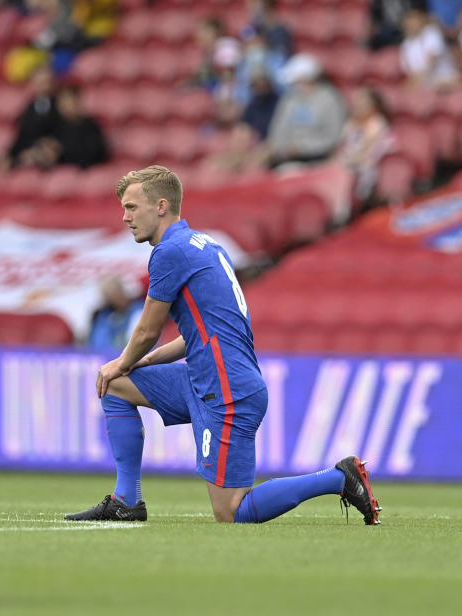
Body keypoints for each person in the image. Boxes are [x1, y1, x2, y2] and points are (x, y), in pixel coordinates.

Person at [64, 165, 382, 526]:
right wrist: (144, 362)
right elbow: (199, 333)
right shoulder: (207, 245)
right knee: (115, 387)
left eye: (132, 208)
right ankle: (126, 500)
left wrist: (122, 360)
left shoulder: (170, 252)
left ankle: (338, 477)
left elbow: (146, 330)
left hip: (226, 389)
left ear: (162, 206)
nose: (125, 217)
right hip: (204, 378)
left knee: (231, 511)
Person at [266, 53, 346, 168]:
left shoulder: (330, 100)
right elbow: (278, 128)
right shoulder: (290, 99)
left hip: (316, 158)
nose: (295, 85)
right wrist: (281, 148)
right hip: (286, 156)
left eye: (297, 81)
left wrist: (301, 148)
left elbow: (333, 136)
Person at [333, 87, 393, 202]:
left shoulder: (377, 123)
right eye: (356, 100)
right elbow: (341, 146)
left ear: (373, 104)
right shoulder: (352, 122)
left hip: (365, 167)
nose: (358, 104)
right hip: (347, 163)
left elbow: (364, 153)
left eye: (362, 100)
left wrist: (341, 164)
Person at [86, 275, 145, 350]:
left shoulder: (139, 311)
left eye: (116, 294)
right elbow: (98, 343)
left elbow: (139, 341)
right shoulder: (104, 314)